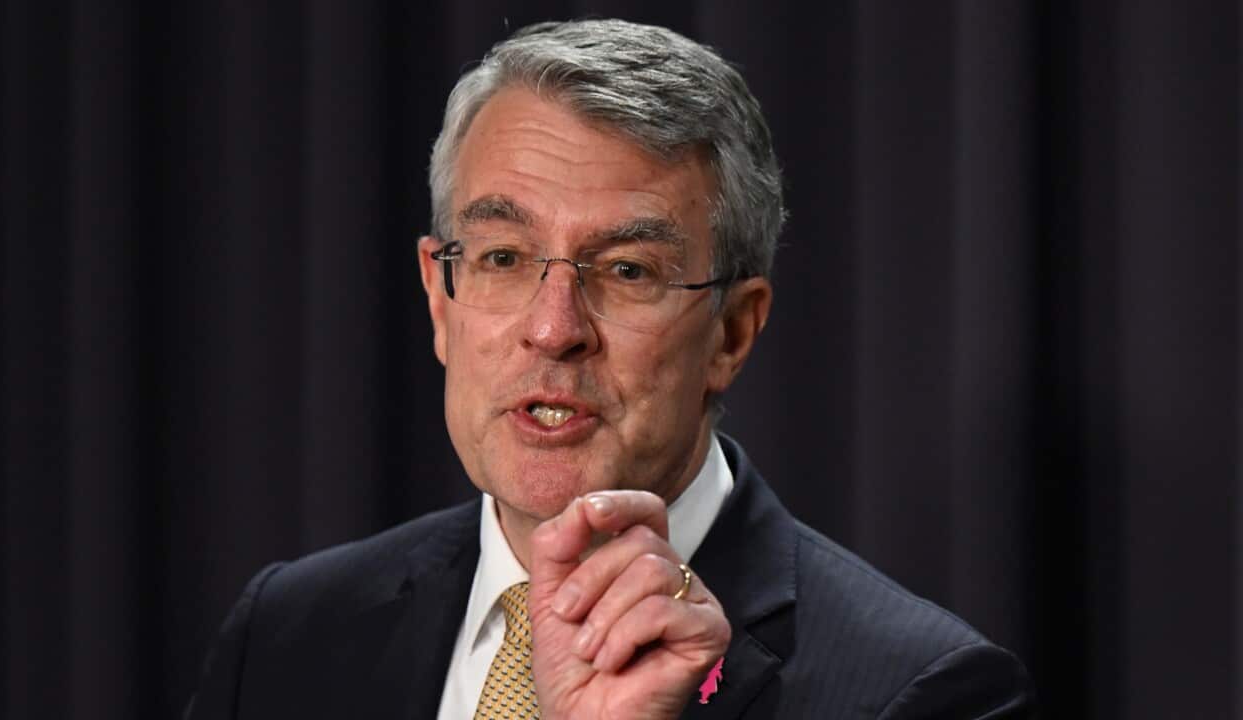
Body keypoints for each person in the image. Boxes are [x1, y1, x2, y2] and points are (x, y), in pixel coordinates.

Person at [186, 18, 1034, 719]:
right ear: (441, 299)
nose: (554, 330)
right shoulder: (287, 637)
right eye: (504, 257)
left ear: (732, 333)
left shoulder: (924, 695)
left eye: (627, 270)